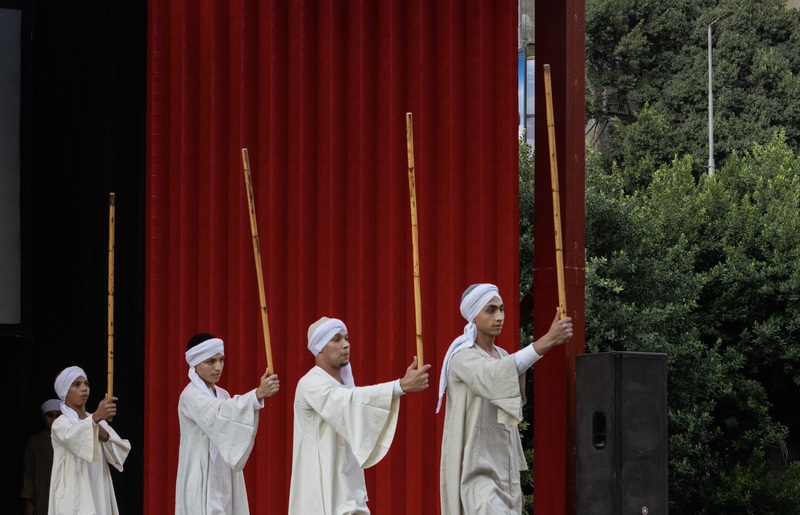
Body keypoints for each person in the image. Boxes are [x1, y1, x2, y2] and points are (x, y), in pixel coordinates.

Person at [437, 283, 573, 514]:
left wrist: (514, 481)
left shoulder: (502, 356)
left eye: (501, 309)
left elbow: (509, 426)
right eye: (490, 310)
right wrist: (548, 340)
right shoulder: (462, 358)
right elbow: (494, 374)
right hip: (474, 472)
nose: (499, 317)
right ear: (473, 316)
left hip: (502, 473)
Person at [288, 316, 431, 514]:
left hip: (346, 488)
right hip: (320, 491)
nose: (346, 344)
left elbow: (353, 400)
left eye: (346, 338)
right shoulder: (310, 383)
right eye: (336, 339)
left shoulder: (344, 386)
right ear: (319, 348)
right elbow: (346, 401)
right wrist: (399, 386)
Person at [174, 333, 280, 515]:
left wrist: (256, 396)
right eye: (210, 361)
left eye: (221, 360)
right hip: (201, 475)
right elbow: (218, 413)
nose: (218, 367)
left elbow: (230, 423)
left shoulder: (222, 394)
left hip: (223, 473)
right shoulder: (190, 395)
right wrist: (257, 394)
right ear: (195, 364)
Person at [48, 366, 131, 515]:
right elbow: (73, 437)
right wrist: (95, 418)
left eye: (86, 384)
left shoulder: (99, 422)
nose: (84, 388)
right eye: (76, 384)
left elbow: (120, 453)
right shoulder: (60, 423)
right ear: (65, 391)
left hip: (98, 491)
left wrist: (103, 432)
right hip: (73, 495)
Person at [20, 399, 61, 515]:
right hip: (42, 496)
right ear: (43, 418)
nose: (54, 420)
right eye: (50, 415)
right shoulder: (35, 442)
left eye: (58, 416)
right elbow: (29, 473)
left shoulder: (68, 440)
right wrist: (29, 503)